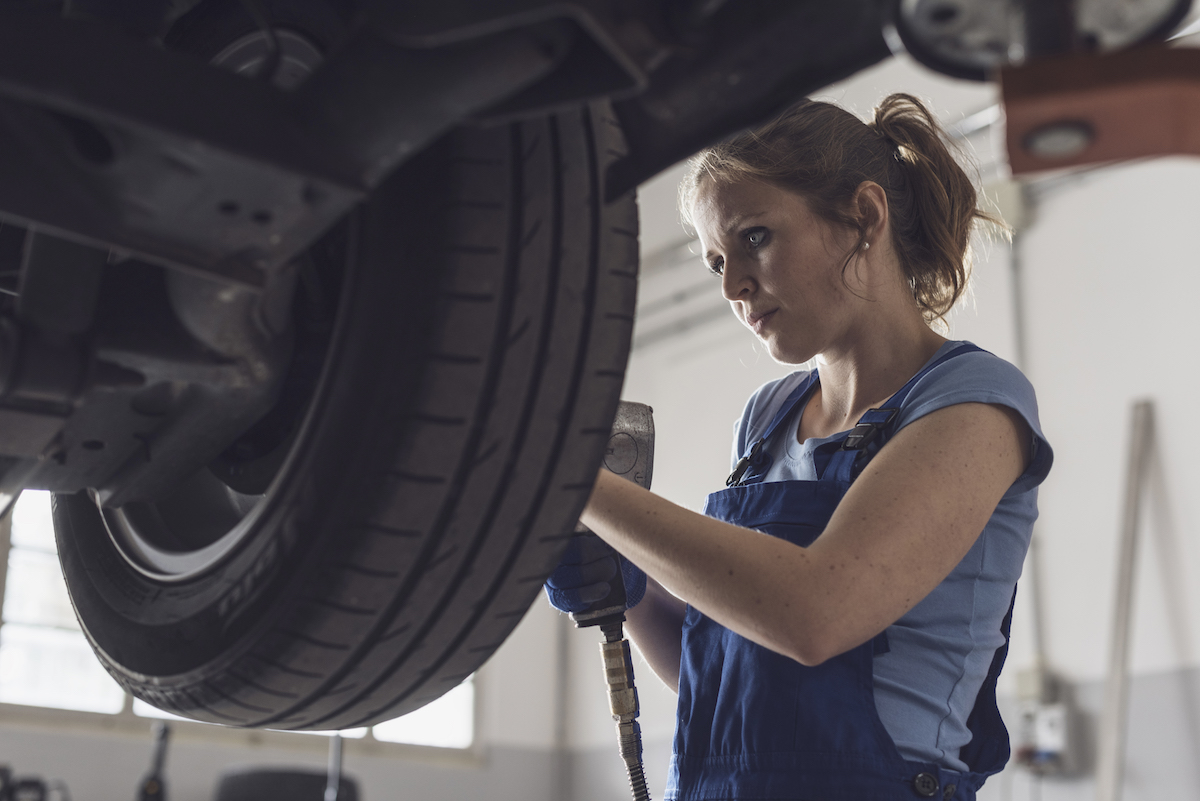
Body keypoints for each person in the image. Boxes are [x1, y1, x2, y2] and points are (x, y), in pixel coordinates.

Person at [546, 93, 1053, 801]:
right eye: (716, 260)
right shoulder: (768, 420)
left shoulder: (972, 400)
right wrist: (626, 588)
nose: (732, 286)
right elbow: (731, 663)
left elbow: (817, 612)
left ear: (865, 217)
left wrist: (576, 481)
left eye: (754, 237)